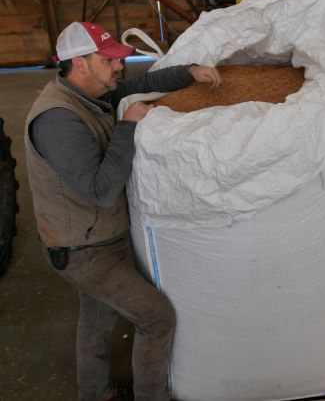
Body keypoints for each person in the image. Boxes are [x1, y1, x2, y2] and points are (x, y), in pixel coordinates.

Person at [24, 21, 221, 401]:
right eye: (109, 59)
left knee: (96, 319)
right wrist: (127, 128)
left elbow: (137, 87)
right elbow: (100, 191)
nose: (119, 66)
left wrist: (189, 72)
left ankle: (93, 394)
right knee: (156, 317)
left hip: (100, 237)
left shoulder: (91, 93)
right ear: (79, 63)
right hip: (83, 251)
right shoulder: (57, 119)